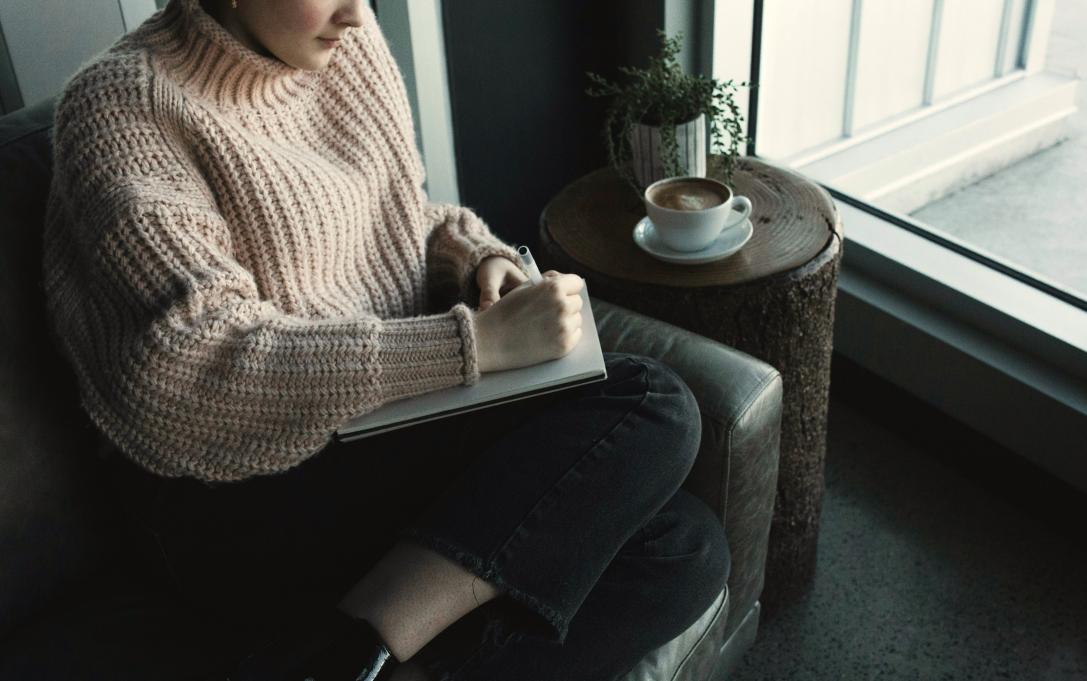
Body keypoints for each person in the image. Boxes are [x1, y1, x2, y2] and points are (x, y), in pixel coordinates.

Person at [40, 0, 732, 679]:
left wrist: (477, 258)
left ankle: (378, 657)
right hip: (228, 488)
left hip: (379, 424)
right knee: (652, 400)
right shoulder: (122, 106)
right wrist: (473, 347)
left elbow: (397, 220)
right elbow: (189, 359)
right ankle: (347, 646)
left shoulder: (343, 40)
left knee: (683, 547)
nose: (356, 11)